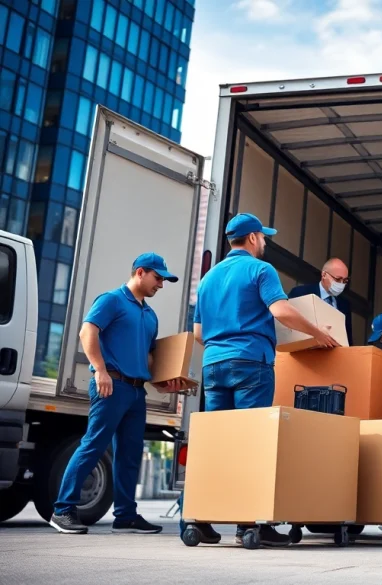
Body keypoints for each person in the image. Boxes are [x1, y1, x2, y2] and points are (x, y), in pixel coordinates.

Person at [189, 213, 339, 547]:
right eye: (264, 237)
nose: (266, 243)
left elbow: (198, 333)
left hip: (213, 364)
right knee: (251, 443)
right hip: (251, 364)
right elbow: (281, 311)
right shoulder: (260, 270)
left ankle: (200, 519)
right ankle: (249, 525)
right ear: (254, 238)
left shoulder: (209, 279)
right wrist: (316, 332)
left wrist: (222, 345)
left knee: (219, 443)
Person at [50, 253, 187, 535]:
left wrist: (162, 383)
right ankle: (62, 510)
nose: (161, 284)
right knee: (94, 445)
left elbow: (148, 357)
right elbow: (87, 332)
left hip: (137, 392)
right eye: (158, 277)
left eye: (163, 279)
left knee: (130, 454)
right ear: (140, 272)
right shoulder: (111, 300)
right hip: (110, 386)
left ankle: (125, 515)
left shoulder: (150, 315)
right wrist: (100, 370)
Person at [288, 258, 353, 346]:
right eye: (338, 279)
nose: (341, 284)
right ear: (324, 275)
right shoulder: (301, 293)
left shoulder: (344, 305)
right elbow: (288, 325)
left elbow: (348, 339)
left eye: (345, 281)